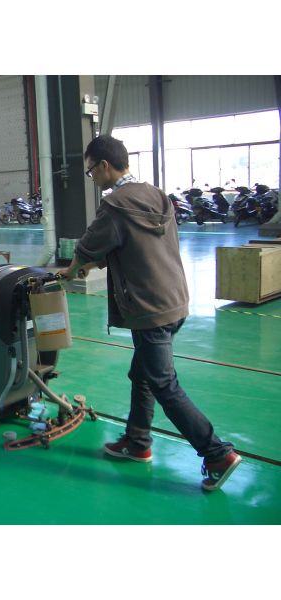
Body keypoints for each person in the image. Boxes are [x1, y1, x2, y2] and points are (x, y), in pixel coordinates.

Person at [58, 134, 241, 492]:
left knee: (163, 384)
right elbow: (133, 244)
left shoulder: (114, 205)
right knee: (141, 374)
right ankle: (138, 442)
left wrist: (72, 268)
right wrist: (95, 263)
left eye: (91, 171)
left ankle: (217, 454)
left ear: (105, 166)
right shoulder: (157, 195)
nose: (92, 177)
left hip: (149, 308)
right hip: (175, 299)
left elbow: (89, 245)